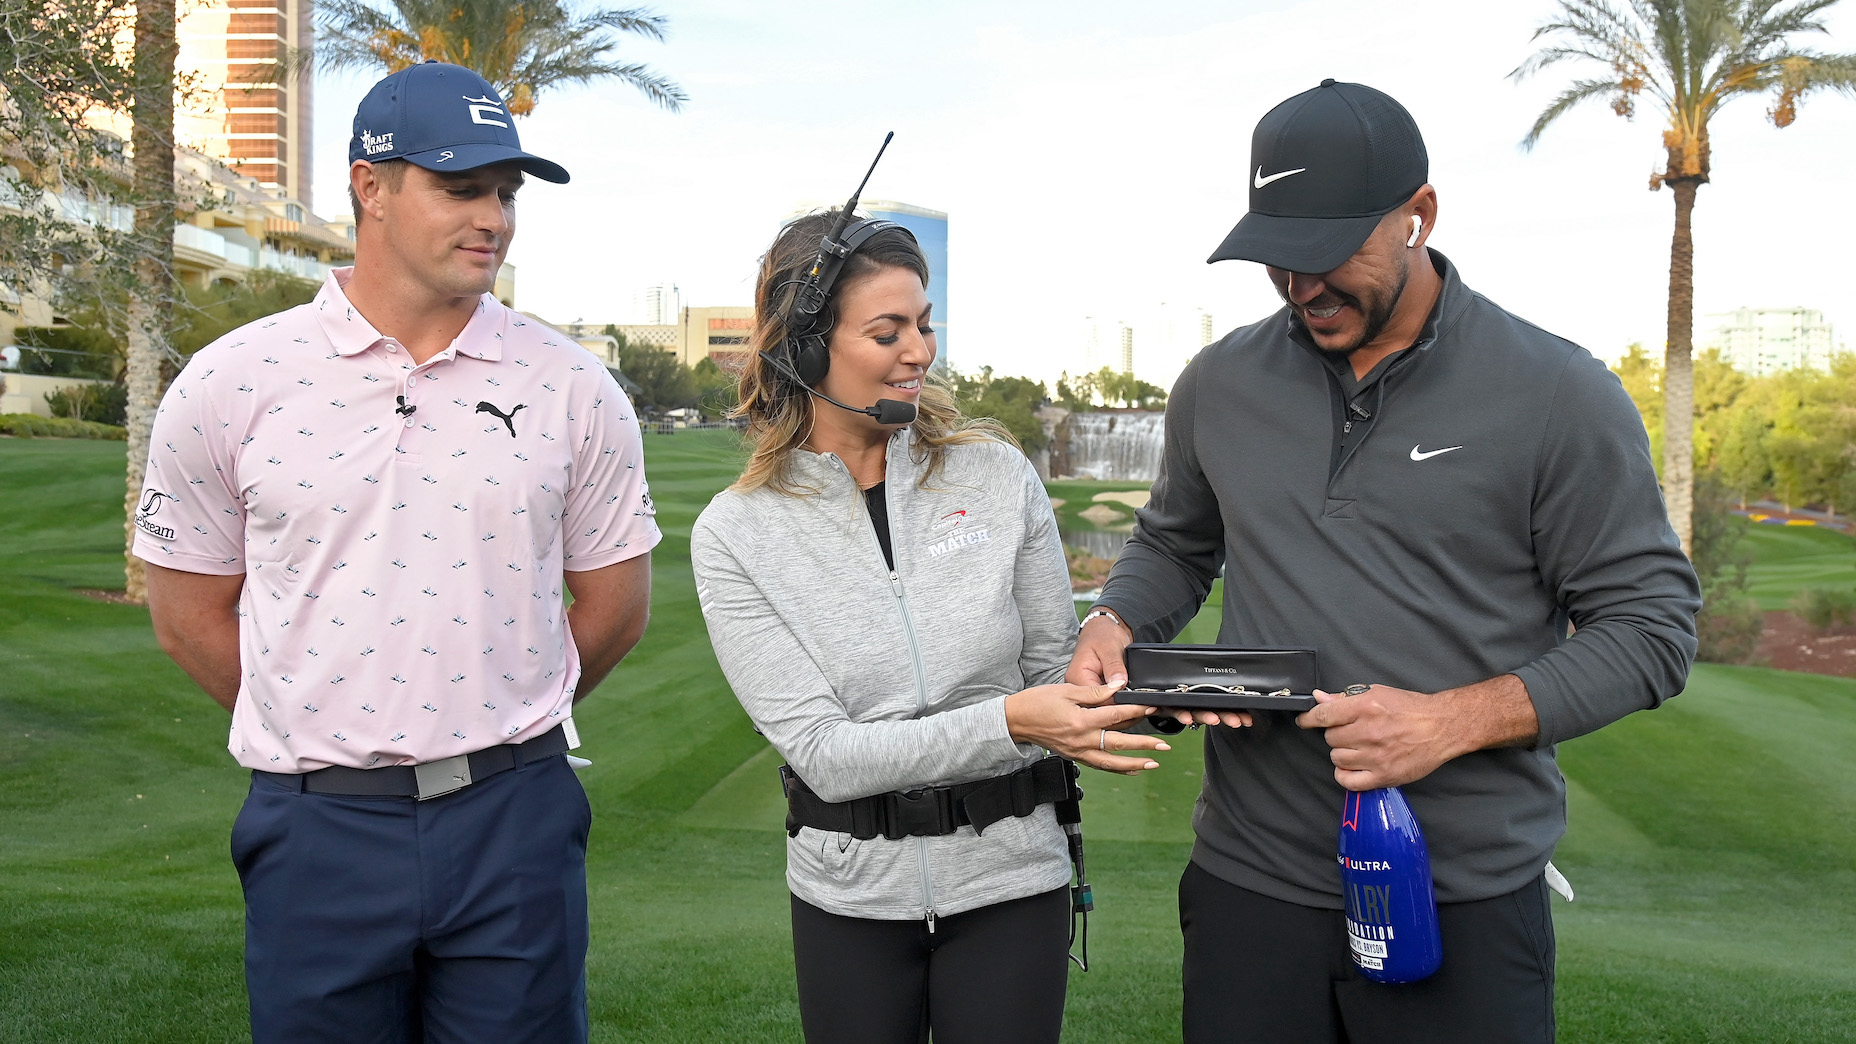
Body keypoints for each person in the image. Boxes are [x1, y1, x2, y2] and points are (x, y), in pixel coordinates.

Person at [1068, 79, 1701, 1043]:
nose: (1303, 287)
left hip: (1461, 896)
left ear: (1420, 216)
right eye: (1279, 257)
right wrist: (1115, 620)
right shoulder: (1219, 382)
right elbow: (1174, 542)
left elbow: (1652, 631)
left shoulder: (1559, 393)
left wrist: (1453, 720)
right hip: (1250, 889)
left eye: (1330, 253)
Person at [135, 61, 659, 1043]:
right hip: (316, 830)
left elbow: (615, 608)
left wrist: (494, 724)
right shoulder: (231, 380)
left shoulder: (573, 386)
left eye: (505, 193)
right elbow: (187, 615)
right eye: (461, 187)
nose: (493, 218)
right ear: (368, 187)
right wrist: (323, 725)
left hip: (514, 819)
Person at [691, 209, 1167, 1044]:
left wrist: (1170, 693)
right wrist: (1012, 722)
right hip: (849, 896)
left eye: (924, 323)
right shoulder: (734, 535)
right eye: (888, 332)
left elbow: (1054, 671)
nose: (919, 351)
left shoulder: (996, 474)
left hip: (1013, 879)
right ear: (806, 347)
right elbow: (827, 756)